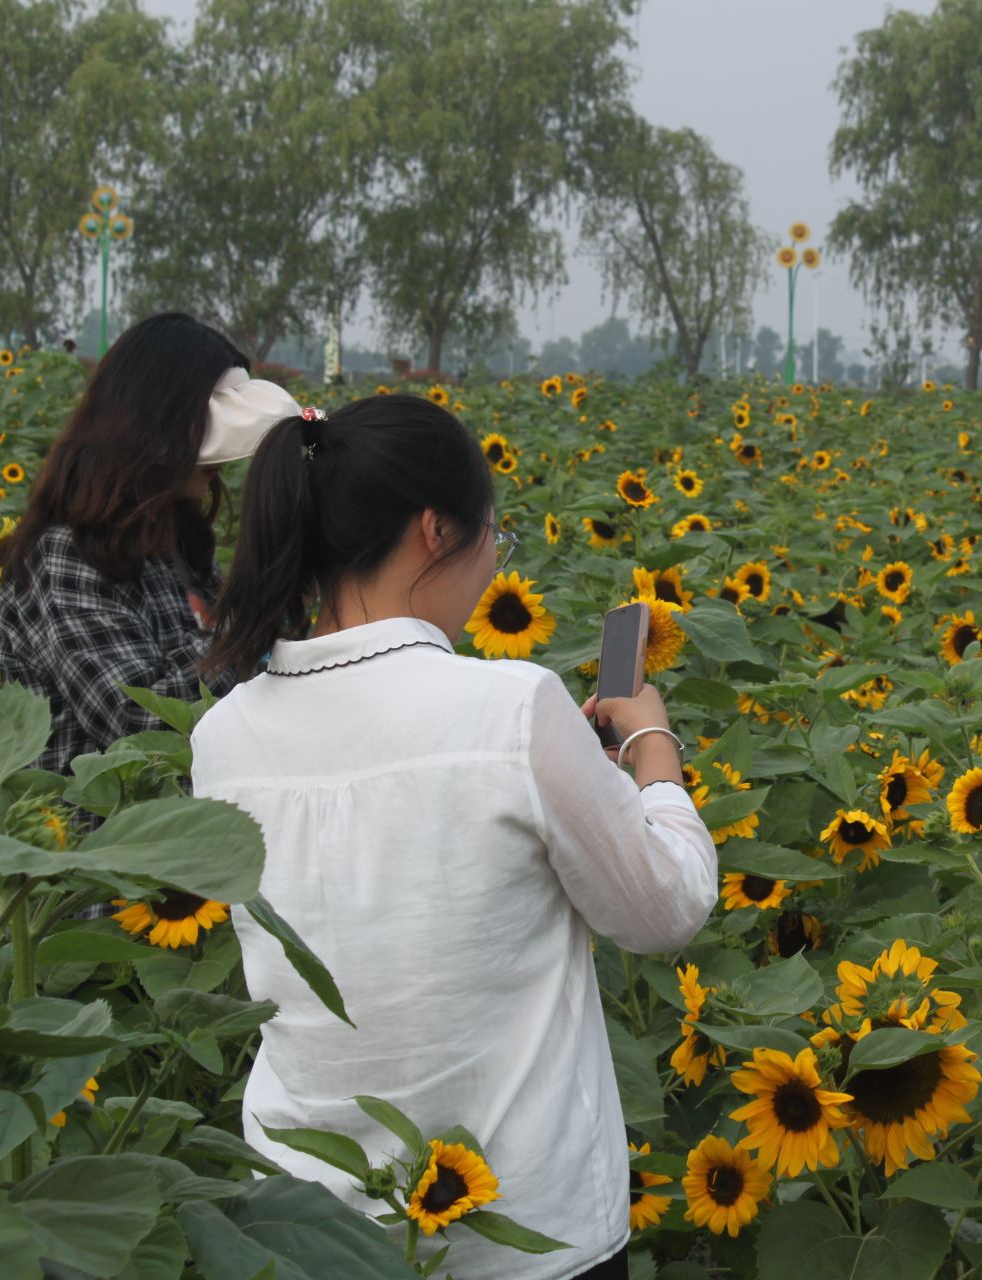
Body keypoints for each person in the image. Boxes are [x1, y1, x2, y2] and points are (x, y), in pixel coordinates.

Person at [189, 394, 715, 1280]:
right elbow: (666, 909)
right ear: (436, 531)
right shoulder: (511, 709)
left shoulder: (223, 738)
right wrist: (650, 748)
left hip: (309, 1229)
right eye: (490, 543)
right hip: (521, 1234)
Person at [0, 312, 300, 773]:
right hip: (95, 834)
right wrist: (255, 622)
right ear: (152, 428)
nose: (219, 459)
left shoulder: (171, 537)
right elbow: (133, 717)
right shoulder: (66, 553)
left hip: (179, 826)